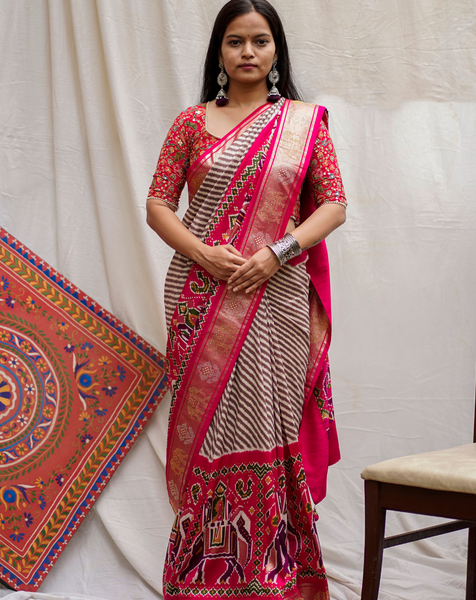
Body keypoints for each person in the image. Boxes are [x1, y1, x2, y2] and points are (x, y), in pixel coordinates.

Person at [146, 1, 347, 598]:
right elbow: (158, 203)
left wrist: (278, 251)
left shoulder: (304, 122)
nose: (249, 53)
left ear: (277, 50)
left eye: (260, 41)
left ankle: (272, 573)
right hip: (199, 294)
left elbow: (334, 204)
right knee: (208, 427)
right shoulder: (190, 123)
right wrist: (204, 252)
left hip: (276, 296)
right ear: (219, 51)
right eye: (236, 42)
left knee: (272, 422)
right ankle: (204, 573)